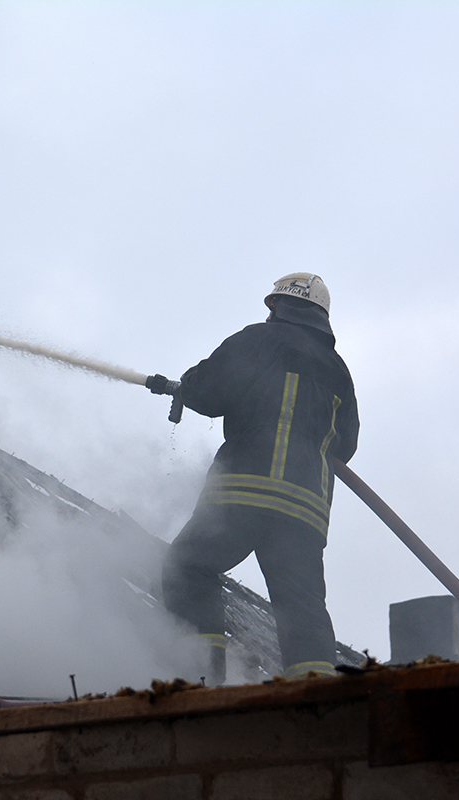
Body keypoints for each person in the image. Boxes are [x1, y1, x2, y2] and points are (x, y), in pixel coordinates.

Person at [150, 273, 359, 684]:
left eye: (272, 307)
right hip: (305, 511)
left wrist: (187, 385)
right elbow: (346, 446)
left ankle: (200, 682)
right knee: (302, 607)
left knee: (188, 566)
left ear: (279, 307)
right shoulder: (339, 372)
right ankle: (316, 695)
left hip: (242, 494)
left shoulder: (257, 340)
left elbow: (209, 391)